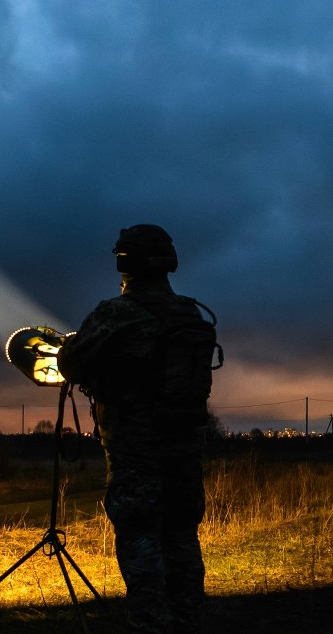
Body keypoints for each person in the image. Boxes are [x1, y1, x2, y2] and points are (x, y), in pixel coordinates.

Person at [58, 224, 216, 634]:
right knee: (182, 537)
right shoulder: (190, 315)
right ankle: (187, 620)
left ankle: (150, 624)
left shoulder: (116, 314)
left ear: (123, 263)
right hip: (185, 450)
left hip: (136, 453)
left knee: (140, 538)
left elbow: (70, 364)